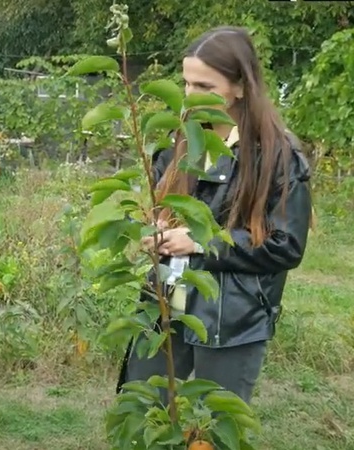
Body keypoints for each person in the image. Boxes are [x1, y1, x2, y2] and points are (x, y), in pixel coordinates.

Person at [116, 26, 313, 405]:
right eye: (187, 83)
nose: (191, 95)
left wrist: (201, 244)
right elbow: (160, 208)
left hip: (231, 321)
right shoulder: (181, 142)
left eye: (206, 87)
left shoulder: (276, 156)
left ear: (240, 86)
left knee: (214, 429)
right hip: (163, 307)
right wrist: (154, 228)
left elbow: (286, 245)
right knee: (141, 412)